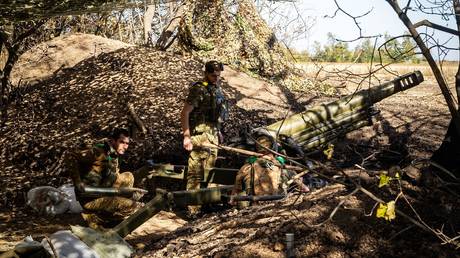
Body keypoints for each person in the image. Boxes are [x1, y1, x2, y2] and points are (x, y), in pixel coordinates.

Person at [65, 128, 143, 229]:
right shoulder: (98, 151)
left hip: (105, 190)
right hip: (91, 198)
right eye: (122, 142)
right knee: (133, 207)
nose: (125, 146)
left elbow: (112, 173)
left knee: (129, 176)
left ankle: (112, 213)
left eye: (127, 143)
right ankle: (95, 218)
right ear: (113, 141)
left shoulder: (114, 153)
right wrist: (77, 182)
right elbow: (70, 155)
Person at [181, 60, 227, 214]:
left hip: (213, 136)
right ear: (206, 73)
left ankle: (208, 205)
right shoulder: (199, 89)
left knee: (210, 172)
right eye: (213, 75)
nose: (216, 78)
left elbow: (215, 115)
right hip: (199, 137)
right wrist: (186, 136)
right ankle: (193, 210)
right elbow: (185, 112)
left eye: (218, 75)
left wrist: (218, 131)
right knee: (195, 174)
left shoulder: (217, 90)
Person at [230, 135, 309, 205]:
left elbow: (236, 188)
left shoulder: (247, 166)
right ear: (272, 148)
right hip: (278, 199)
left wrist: (233, 198)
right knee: (289, 174)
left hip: (256, 203)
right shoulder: (280, 164)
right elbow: (304, 187)